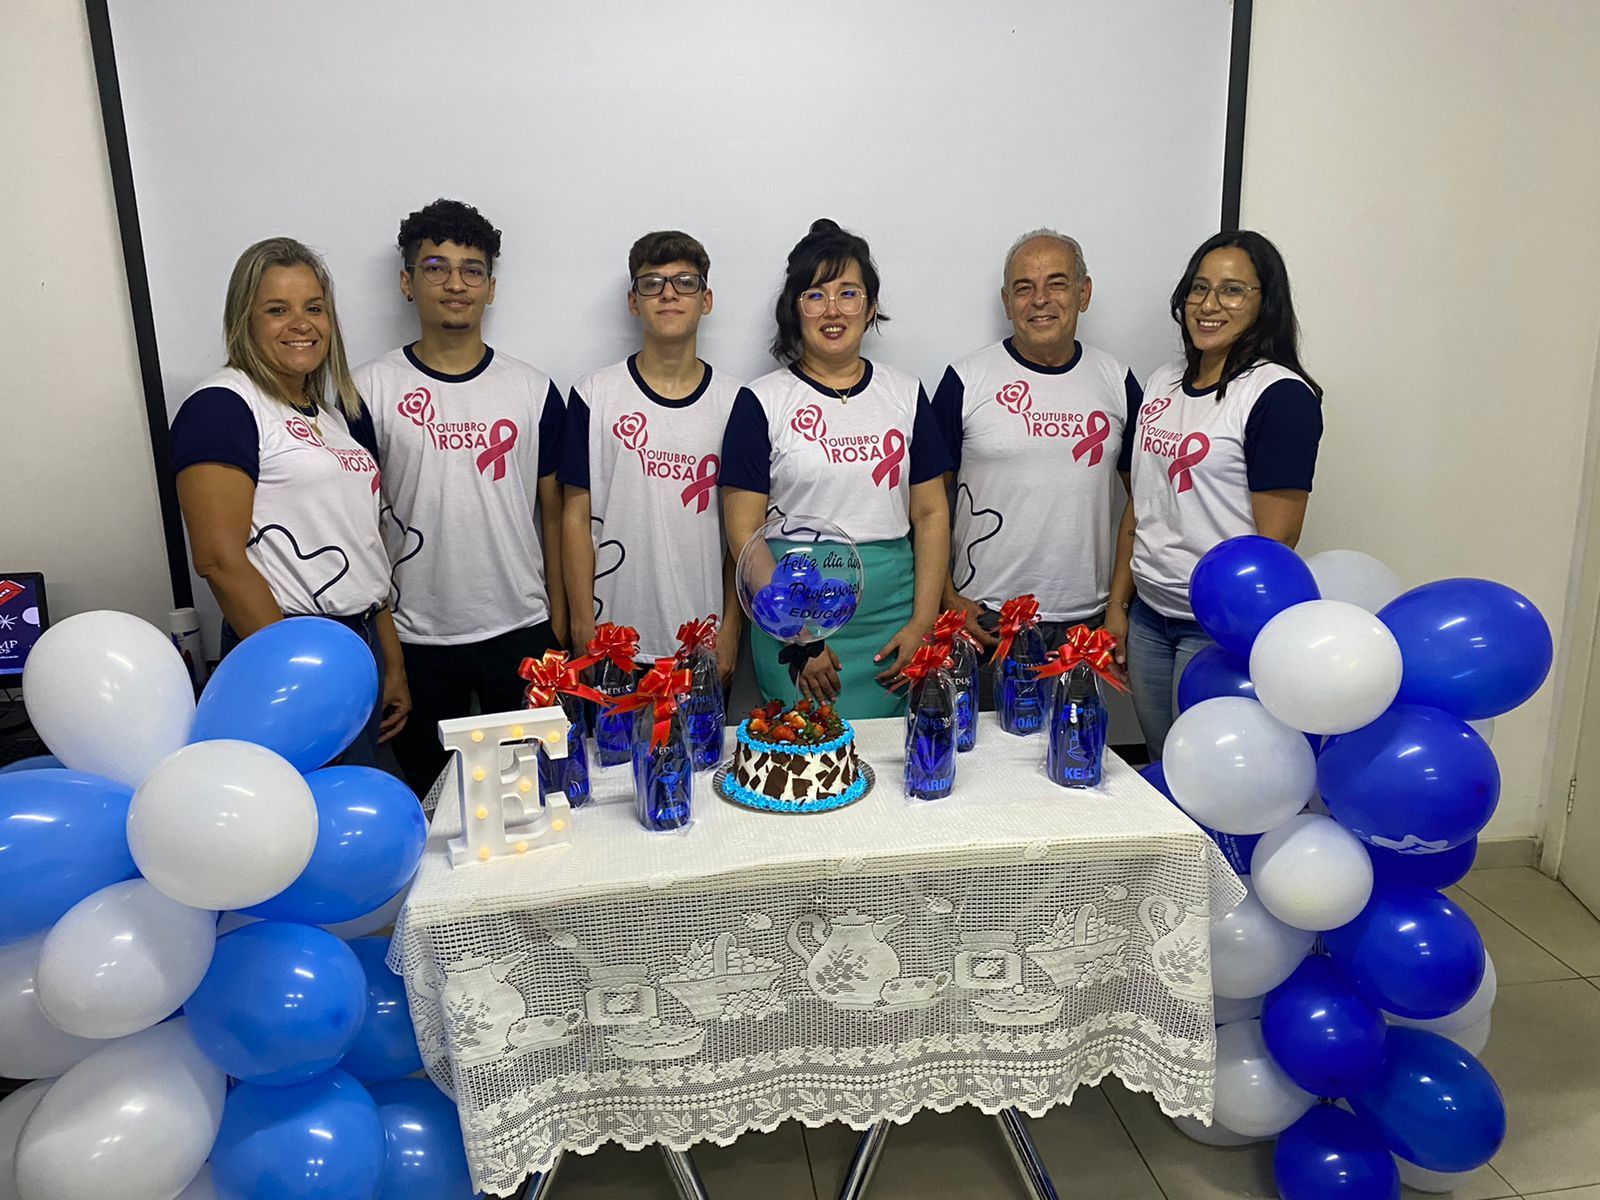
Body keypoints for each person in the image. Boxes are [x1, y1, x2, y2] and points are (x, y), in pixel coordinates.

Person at [170, 237, 409, 769]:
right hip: (290, 644)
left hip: (361, 641)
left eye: (314, 308)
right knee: (315, 806)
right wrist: (293, 670)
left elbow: (363, 545)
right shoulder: (222, 406)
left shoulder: (335, 415)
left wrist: (390, 660)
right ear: (245, 321)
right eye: (277, 310)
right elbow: (218, 559)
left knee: (372, 794)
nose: (301, 324)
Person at [353, 199, 566, 793]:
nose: (455, 284)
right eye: (435, 267)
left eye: (472, 270)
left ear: (490, 288)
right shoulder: (366, 391)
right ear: (407, 282)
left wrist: (558, 625)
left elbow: (555, 517)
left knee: (529, 799)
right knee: (433, 802)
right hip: (415, 638)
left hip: (520, 627)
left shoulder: (533, 389)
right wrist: (387, 649)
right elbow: (356, 526)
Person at [720, 218, 951, 719]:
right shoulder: (760, 402)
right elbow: (744, 535)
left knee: (892, 758)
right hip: (791, 617)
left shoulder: (906, 393)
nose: (832, 310)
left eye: (848, 293)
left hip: (894, 624)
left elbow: (931, 513)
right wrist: (801, 636)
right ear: (794, 309)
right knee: (802, 752)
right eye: (815, 295)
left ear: (870, 307)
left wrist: (923, 624)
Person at [1109, 230, 1324, 757]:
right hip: (1148, 616)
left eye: (1231, 290)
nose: (1208, 305)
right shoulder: (1161, 383)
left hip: (1217, 628)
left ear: (1265, 302)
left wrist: (1232, 625)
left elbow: (1276, 543)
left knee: (1206, 770)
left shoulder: (1279, 396)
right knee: (1163, 762)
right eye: (1199, 288)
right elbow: (1143, 503)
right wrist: (1119, 605)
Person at [930, 228, 1141, 706]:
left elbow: (1145, 500)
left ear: (1084, 293)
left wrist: (1118, 605)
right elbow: (926, 505)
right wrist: (946, 597)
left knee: (1074, 747)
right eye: (1023, 287)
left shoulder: (1117, 380)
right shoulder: (966, 379)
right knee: (981, 751)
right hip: (984, 620)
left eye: (1057, 284)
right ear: (1007, 302)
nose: (1040, 300)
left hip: (1084, 626)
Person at [561, 231, 741, 681]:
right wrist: (582, 622)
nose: (668, 294)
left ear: (706, 300)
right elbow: (574, 516)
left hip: (701, 642)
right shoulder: (593, 394)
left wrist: (732, 629)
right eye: (652, 283)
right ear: (633, 301)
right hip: (612, 640)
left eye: (685, 282)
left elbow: (744, 534)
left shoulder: (737, 403)